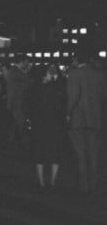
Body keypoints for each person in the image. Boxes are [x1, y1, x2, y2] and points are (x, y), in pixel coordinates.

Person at [66, 46, 107, 196]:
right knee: (94, 153)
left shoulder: (74, 74)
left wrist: (68, 114)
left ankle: (84, 186)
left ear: (77, 59)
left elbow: (73, 97)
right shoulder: (100, 74)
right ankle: (94, 184)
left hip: (78, 119)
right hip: (95, 120)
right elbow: (104, 96)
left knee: (80, 154)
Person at [30, 65, 66, 193]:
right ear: (45, 75)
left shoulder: (34, 89)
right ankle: (53, 181)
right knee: (54, 152)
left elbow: (27, 107)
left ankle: (41, 182)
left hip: (39, 124)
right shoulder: (54, 89)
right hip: (54, 124)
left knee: (39, 153)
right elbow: (60, 107)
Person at [5, 55, 32, 145]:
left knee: (16, 121)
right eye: (26, 62)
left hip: (16, 100)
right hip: (17, 101)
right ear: (22, 62)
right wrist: (28, 71)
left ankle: (11, 139)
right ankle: (17, 140)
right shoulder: (15, 71)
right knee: (20, 120)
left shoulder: (15, 71)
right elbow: (26, 81)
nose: (28, 64)